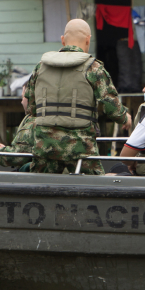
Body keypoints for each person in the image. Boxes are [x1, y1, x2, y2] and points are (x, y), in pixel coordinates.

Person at [25, 18, 132, 174]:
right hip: (80, 146)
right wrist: (125, 118)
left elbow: (31, 108)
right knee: (95, 188)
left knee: (42, 187)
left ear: (63, 40)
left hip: (45, 144)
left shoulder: (40, 67)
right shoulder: (94, 68)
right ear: (88, 40)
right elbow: (112, 108)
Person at [0, 83, 34, 171]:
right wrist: (4, 149)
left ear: (30, 97)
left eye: (23, 97)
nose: (21, 101)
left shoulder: (33, 120)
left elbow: (18, 157)